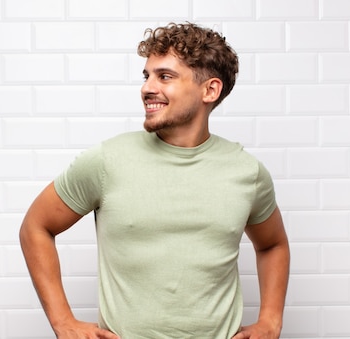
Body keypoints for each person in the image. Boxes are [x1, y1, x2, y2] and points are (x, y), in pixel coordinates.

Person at [19, 22, 290, 339]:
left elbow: (272, 245)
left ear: (210, 90)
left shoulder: (246, 172)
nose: (147, 88)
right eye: (146, 76)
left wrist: (271, 320)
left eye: (165, 76)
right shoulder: (108, 161)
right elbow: (36, 226)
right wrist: (63, 322)